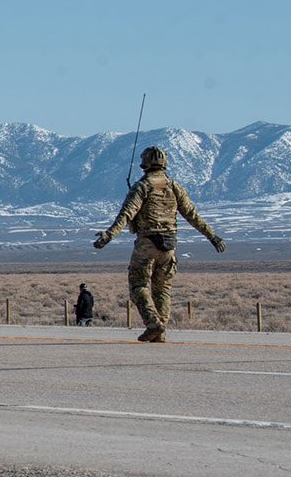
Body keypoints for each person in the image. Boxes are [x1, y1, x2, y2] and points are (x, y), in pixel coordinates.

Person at [94, 146, 226, 342]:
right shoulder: (174, 187)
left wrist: (108, 235)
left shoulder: (143, 187)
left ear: (145, 164)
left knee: (138, 285)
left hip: (147, 243)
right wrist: (213, 236)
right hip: (169, 245)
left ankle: (153, 323)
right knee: (162, 289)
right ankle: (160, 332)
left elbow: (127, 214)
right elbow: (192, 215)